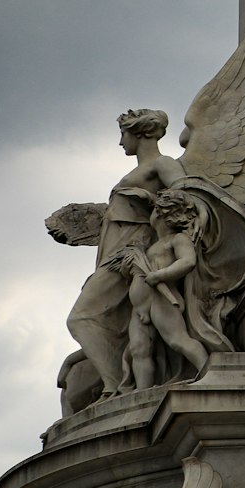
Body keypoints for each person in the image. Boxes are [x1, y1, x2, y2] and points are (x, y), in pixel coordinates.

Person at [67, 108, 186, 396]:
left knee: (80, 317)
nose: (121, 142)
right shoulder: (136, 172)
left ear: (139, 132)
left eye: (123, 134)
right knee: (99, 320)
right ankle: (115, 382)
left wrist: (148, 199)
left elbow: (187, 197)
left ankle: (114, 386)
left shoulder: (163, 164)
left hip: (133, 254)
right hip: (115, 254)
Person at [115, 190, 211, 390]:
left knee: (178, 341)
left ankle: (208, 375)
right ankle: (142, 392)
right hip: (140, 307)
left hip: (162, 300)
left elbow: (188, 261)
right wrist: (128, 269)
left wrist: (160, 275)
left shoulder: (176, 240)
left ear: (161, 215)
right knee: (139, 349)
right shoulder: (150, 247)